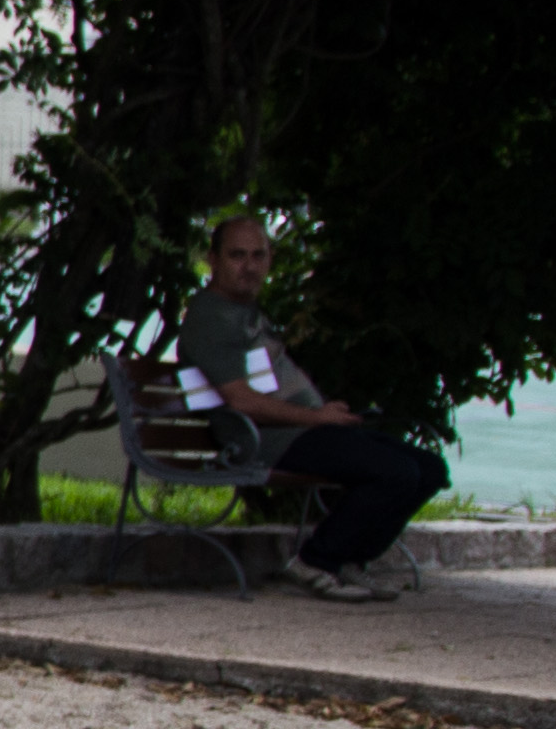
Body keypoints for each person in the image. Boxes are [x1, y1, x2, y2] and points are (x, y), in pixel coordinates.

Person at [185, 212, 448, 598]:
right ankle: (317, 560)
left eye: (258, 256)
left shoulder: (245, 314)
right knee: (396, 472)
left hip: (299, 432)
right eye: (237, 256)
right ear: (213, 259)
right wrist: (316, 416)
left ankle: (350, 560)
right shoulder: (210, 317)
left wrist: (324, 415)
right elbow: (241, 401)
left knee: (427, 468)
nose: (249, 266)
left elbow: (267, 384)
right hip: (266, 441)